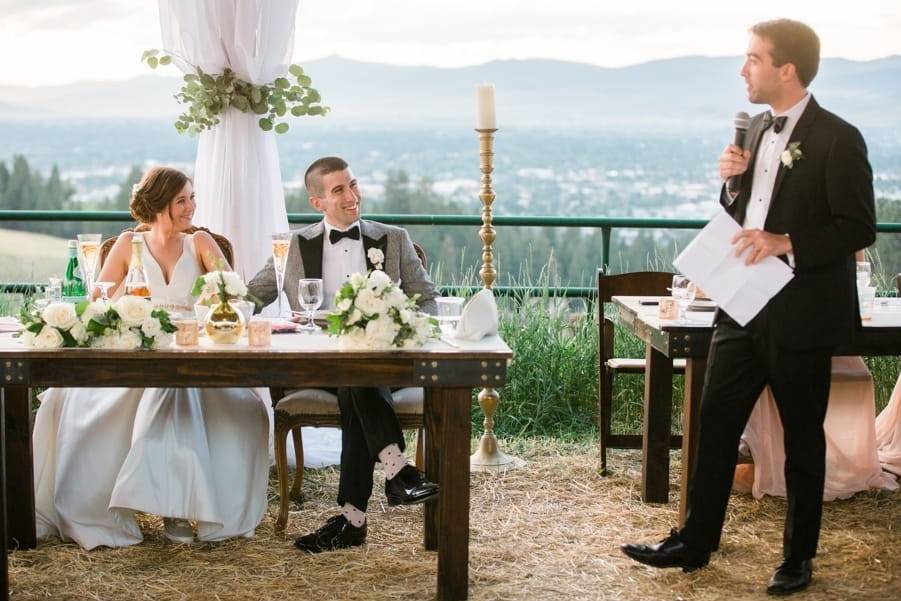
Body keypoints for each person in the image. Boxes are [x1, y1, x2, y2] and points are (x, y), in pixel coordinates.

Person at [621, 20, 876, 596]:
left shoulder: (839, 137)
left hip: (801, 311)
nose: (743, 70)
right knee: (713, 427)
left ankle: (797, 559)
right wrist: (732, 185)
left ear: (787, 69)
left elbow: (860, 226)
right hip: (740, 305)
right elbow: (746, 212)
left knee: (802, 439)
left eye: (754, 60)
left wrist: (786, 242)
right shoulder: (756, 127)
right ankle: (694, 541)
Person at [32, 166, 270, 549]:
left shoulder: (202, 243)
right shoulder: (128, 244)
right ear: (159, 204)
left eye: (192, 198)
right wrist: (128, 299)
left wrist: (216, 301)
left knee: (183, 390)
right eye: (182, 200)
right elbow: (100, 304)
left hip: (196, 356)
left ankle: (178, 506)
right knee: (146, 391)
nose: (192, 207)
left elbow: (235, 299)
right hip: (140, 354)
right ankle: (150, 507)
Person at [247, 156, 439, 553]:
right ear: (317, 202)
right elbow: (252, 295)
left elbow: (426, 298)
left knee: (358, 382)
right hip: (320, 366)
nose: (352, 196)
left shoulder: (393, 239)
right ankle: (396, 472)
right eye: (339, 190)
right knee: (356, 382)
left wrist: (408, 329)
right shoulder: (295, 246)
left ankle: (353, 522)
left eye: (353, 185)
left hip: (382, 364)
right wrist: (222, 314)